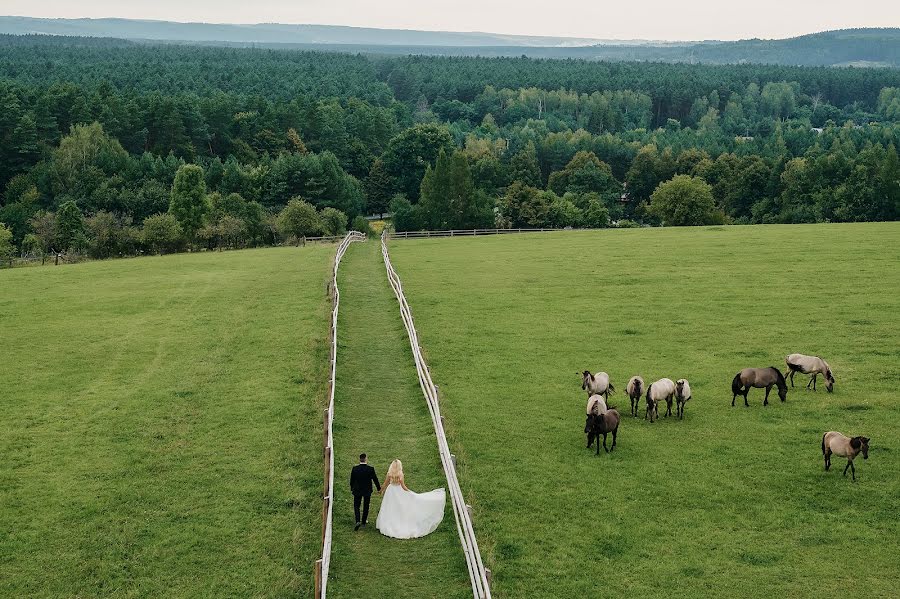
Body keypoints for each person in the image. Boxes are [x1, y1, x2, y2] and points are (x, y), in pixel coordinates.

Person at [375, 459, 445, 539]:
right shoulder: (400, 474)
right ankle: (400, 522)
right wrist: (410, 492)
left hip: (390, 491)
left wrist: (381, 490)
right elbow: (403, 486)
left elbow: (385, 483)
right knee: (400, 507)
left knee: (390, 507)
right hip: (399, 491)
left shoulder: (389, 473)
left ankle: (388, 524)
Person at [350, 453, 380, 531]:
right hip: (367, 490)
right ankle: (363, 521)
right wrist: (379, 488)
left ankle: (357, 520)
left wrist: (351, 488)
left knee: (356, 505)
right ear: (366, 459)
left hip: (357, 490)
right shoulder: (370, 469)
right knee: (366, 505)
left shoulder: (355, 469)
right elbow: (375, 479)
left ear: (360, 459)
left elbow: (352, 480)